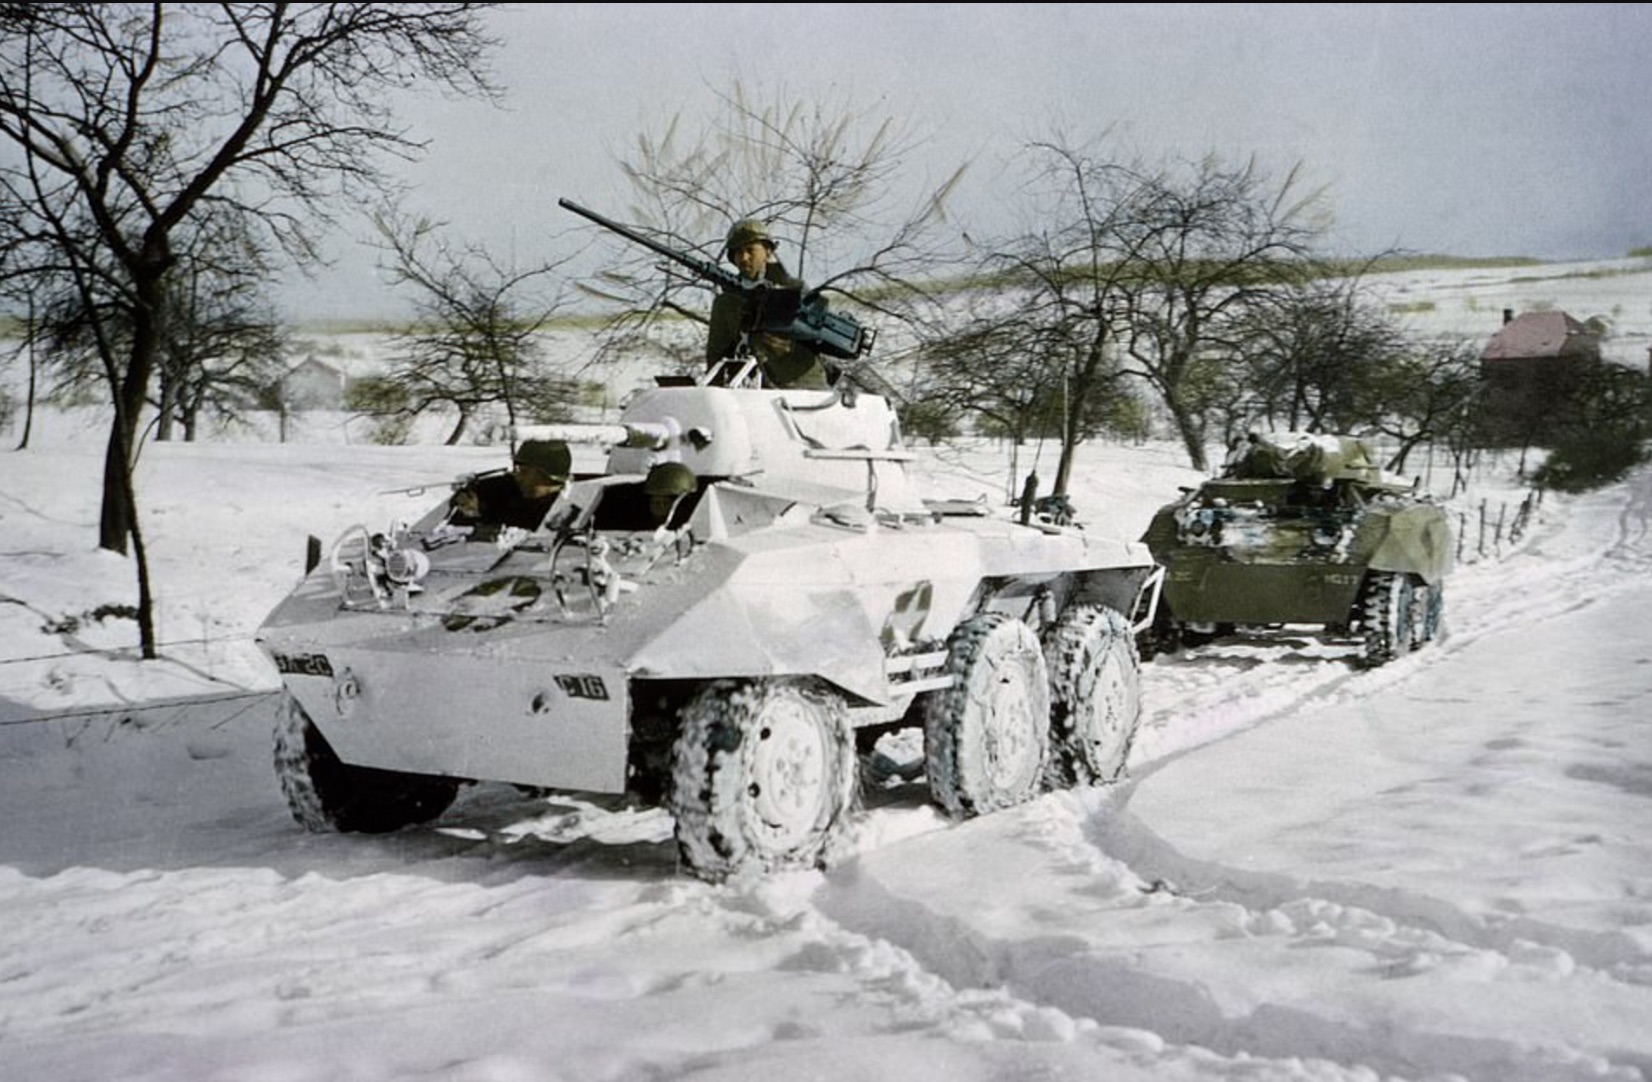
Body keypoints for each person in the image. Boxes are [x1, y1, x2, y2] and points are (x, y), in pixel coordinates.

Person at [705, 218, 830, 389]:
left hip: (804, 383)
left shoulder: (793, 289)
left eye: (750, 250)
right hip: (758, 388)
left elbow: (818, 338)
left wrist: (784, 345)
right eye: (738, 252)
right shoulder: (727, 303)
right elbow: (716, 355)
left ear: (768, 252)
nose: (744, 258)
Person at [449, 439, 571, 533]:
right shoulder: (501, 491)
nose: (517, 477)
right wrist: (472, 513)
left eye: (524, 472)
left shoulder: (573, 505)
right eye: (517, 471)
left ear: (549, 478)